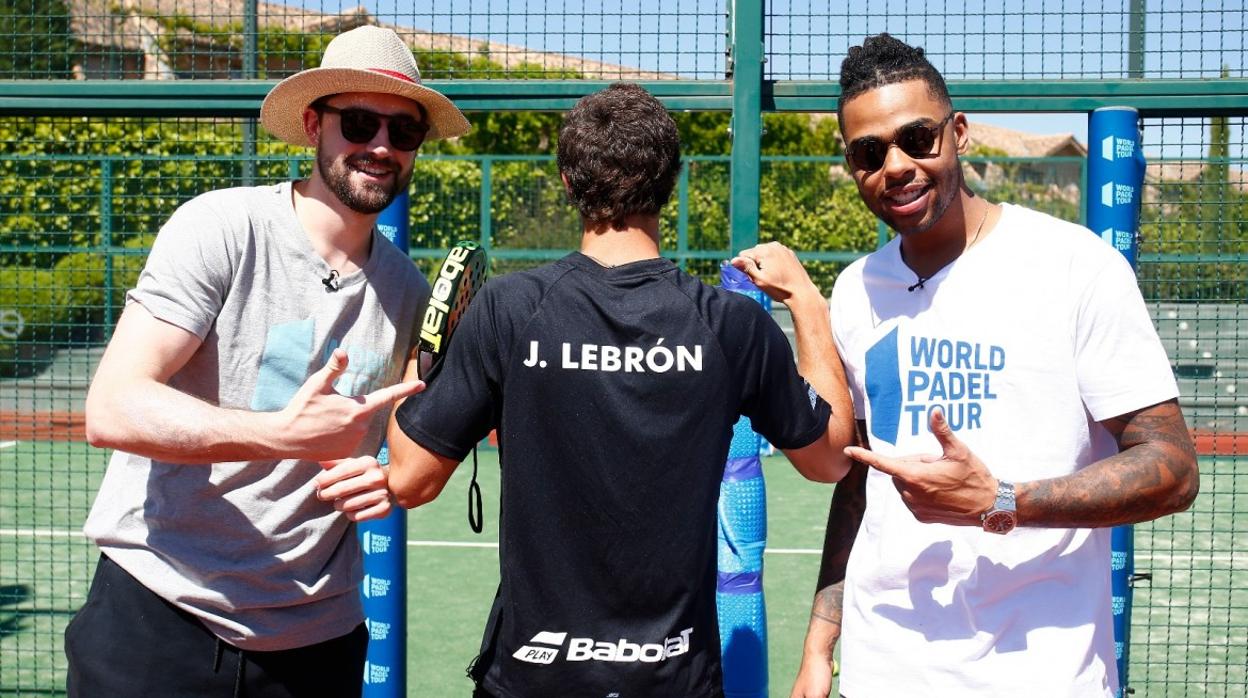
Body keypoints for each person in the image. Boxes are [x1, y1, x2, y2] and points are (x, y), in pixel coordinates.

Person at [734, 32, 1199, 698]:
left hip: (1041, 673)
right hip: (884, 669)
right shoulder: (858, 291)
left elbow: (1174, 468)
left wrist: (1002, 501)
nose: (895, 166)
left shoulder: (1075, 266)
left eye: (917, 138)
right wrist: (820, 637)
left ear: (958, 133)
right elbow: (861, 479)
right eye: (870, 153)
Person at [353, 82, 853, 697]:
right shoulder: (732, 325)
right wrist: (807, 301)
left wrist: (423, 359)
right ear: (670, 184)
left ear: (567, 182)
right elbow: (831, 458)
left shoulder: (509, 310)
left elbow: (408, 480)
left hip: (529, 679)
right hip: (676, 680)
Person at [65, 25, 470, 697]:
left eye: (404, 133)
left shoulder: (409, 294)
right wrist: (282, 434)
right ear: (313, 123)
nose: (381, 147)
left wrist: (390, 479)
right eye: (361, 122)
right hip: (160, 619)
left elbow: (399, 450)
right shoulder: (221, 228)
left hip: (314, 647)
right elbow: (111, 407)